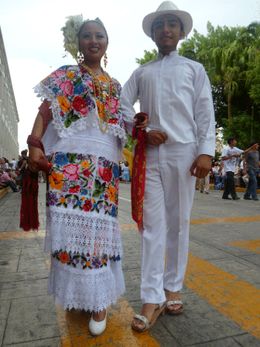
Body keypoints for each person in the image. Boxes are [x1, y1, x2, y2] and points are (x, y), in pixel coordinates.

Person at [27, 15, 126, 336]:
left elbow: (123, 130)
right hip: (68, 168)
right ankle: (81, 296)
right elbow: (45, 111)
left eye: (100, 35)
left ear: (107, 42)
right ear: (77, 43)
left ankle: (98, 301)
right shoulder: (66, 76)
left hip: (103, 170)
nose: (93, 40)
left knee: (98, 235)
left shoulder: (115, 86)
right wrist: (34, 144)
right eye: (87, 35)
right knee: (71, 236)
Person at [120, 1, 215, 332]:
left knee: (179, 222)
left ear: (182, 32)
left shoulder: (194, 69)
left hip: (186, 154)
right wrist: (141, 131)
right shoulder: (142, 72)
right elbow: (120, 106)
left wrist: (206, 152)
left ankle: (173, 287)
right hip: (152, 156)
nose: (166, 30)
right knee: (151, 227)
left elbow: (204, 112)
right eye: (160, 25)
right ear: (152, 33)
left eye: (172, 24)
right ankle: (150, 295)